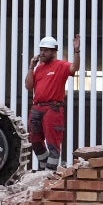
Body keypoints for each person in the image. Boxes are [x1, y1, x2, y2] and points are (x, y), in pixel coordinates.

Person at [25, 34, 80, 170]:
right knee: (35, 140)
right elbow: (28, 86)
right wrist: (31, 67)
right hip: (37, 108)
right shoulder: (39, 67)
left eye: (46, 50)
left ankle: (50, 173)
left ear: (54, 51)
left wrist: (77, 52)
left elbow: (74, 68)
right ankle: (44, 168)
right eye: (41, 50)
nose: (42, 53)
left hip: (53, 109)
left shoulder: (61, 65)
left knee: (53, 143)